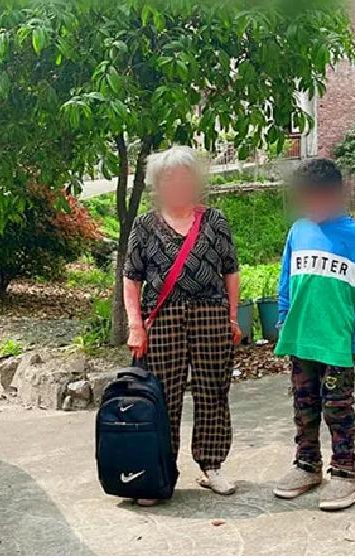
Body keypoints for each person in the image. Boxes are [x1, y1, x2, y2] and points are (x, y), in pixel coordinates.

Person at [123, 146, 242, 506]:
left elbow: (231, 271)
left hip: (210, 314)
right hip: (163, 319)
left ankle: (212, 464)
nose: (178, 184)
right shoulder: (145, 225)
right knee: (162, 397)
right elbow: (132, 278)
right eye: (170, 178)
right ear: (158, 184)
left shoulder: (214, 221)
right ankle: (159, 471)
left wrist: (232, 317)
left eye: (184, 177)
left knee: (213, 390)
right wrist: (135, 325)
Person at [272, 159, 355, 511]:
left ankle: (346, 472)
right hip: (301, 338)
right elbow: (286, 279)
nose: (312, 206)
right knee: (304, 405)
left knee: (337, 407)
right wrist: (284, 319)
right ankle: (307, 464)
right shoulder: (298, 232)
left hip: (338, 343)